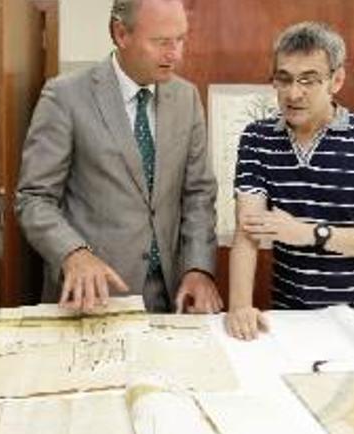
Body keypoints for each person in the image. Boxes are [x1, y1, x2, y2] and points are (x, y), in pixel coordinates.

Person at [16, 0, 222, 314]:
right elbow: (34, 199)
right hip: (92, 298)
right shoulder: (65, 96)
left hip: (169, 297)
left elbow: (198, 194)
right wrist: (73, 252)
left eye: (180, 39)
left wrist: (199, 268)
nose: (175, 54)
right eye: (161, 42)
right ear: (121, 33)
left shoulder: (186, 98)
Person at [226, 22, 354, 340]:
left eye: (308, 81)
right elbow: (248, 232)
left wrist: (312, 234)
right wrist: (239, 306)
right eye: (283, 80)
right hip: (293, 317)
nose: (293, 93)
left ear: (336, 80)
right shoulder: (257, 139)